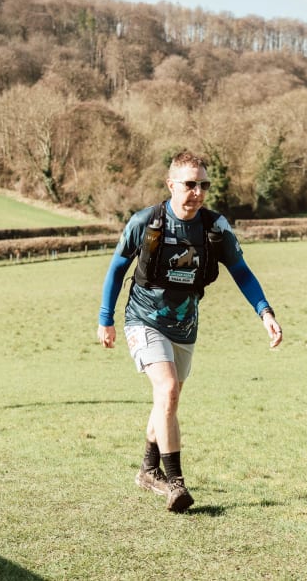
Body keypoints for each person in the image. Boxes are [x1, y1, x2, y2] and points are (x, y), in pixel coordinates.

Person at [97, 151, 283, 513]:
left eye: (203, 185)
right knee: (166, 390)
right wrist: (106, 319)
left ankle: (148, 470)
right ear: (171, 185)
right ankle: (176, 484)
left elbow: (241, 271)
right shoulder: (145, 222)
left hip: (185, 326)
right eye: (190, 184)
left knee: (168, 401)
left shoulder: (215, 228)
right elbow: (117, 268)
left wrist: (265, 313)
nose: (198, 192)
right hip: (143, 318)